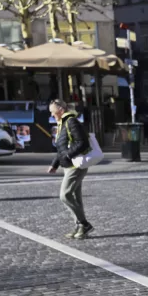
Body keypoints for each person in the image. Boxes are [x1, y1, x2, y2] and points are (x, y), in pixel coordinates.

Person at [47, 99, 93, 239]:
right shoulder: (62, 123)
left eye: (53, 112)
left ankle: (84, 224)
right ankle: (79, 227)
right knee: (75, 197)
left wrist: (68, 155)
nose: (52, 115)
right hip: (68, 166)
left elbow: (82, 143)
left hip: (75, 166)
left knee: (65, 195)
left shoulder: (71, 122)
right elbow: (61, 148)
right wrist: (54, 164)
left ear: (61, 110)